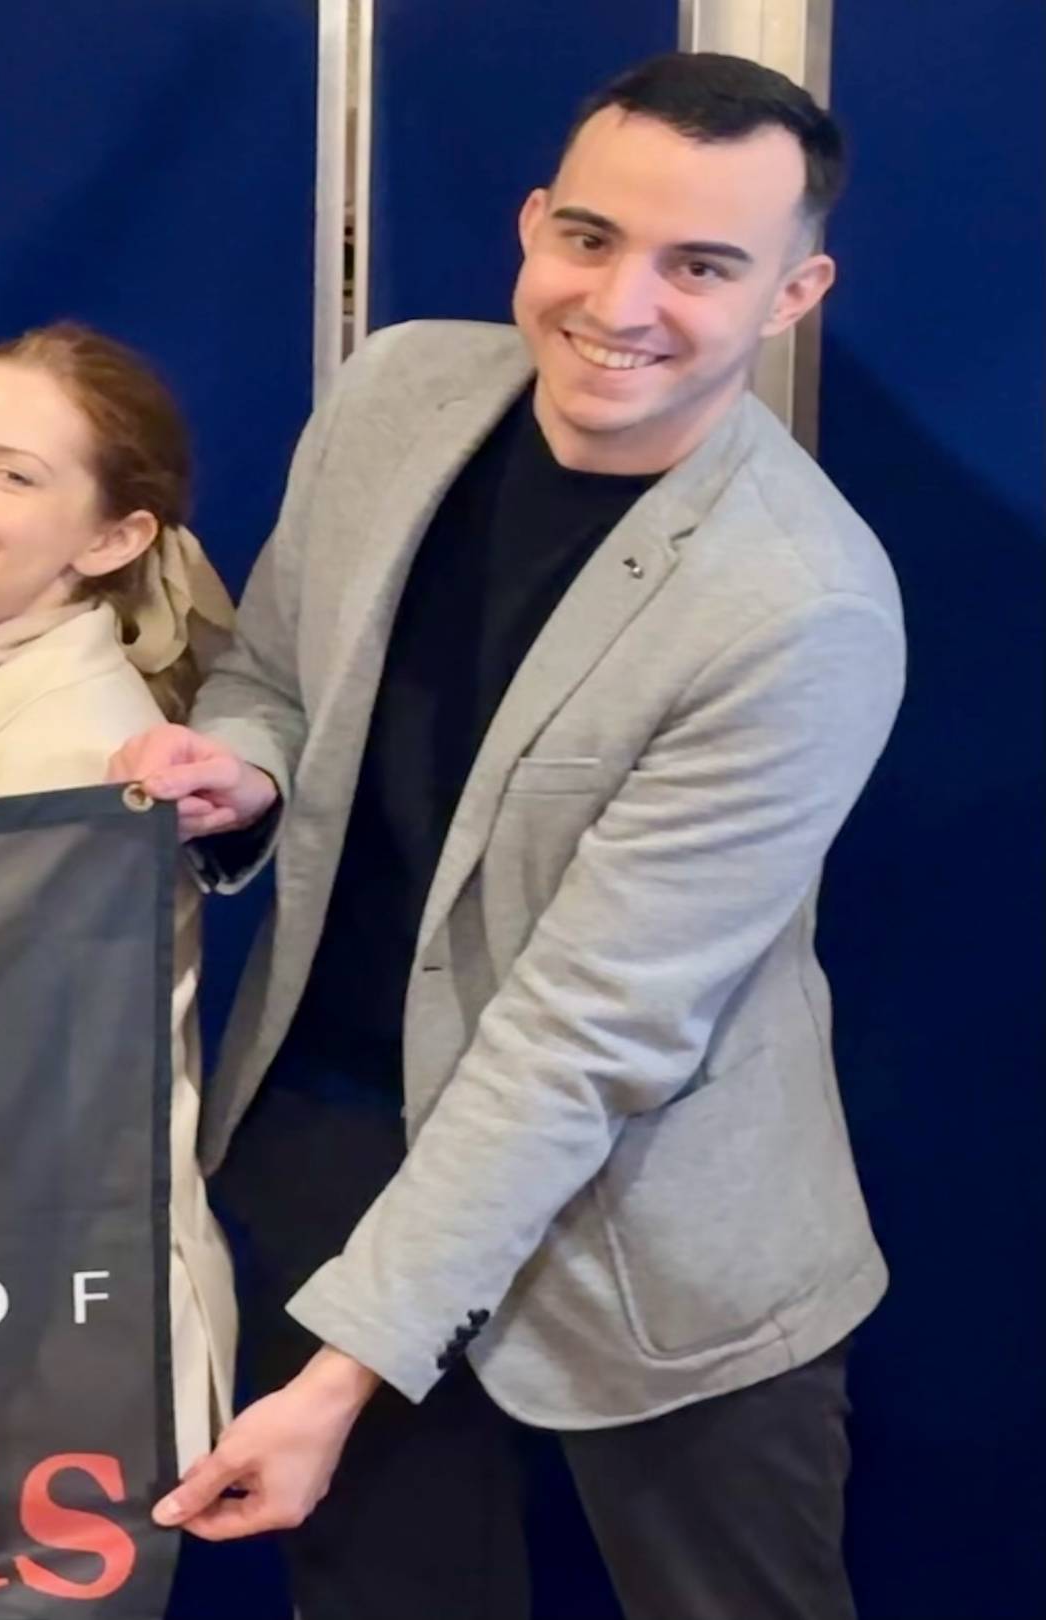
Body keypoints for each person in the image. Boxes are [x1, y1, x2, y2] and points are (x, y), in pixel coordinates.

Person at [116, 54, 897, 1620]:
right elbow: (276, 677)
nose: (623, 302)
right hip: (335, 1133)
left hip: (655, 1236)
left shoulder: (801, 608)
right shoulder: (394, 392)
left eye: (702, 266)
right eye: (591, 238)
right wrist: (246, 773)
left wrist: (341, 1375)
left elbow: (587, 1036)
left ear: (793, 294)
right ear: (534, 223)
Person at [0, 323, 238, 1470]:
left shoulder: (71, 755)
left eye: (14, 476)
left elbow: (24, 1127)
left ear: (117, 537)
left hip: (33, 1365)